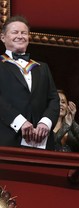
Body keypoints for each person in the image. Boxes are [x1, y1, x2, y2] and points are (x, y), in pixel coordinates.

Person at [0, 16, 59, 150]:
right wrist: (20, 122)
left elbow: (54, 99)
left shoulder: (42, 67)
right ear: (3, 37)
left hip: (41, 141)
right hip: (6, 139)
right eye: (15, 32)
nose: (20, 36)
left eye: (24, 33)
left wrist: (46, 123)